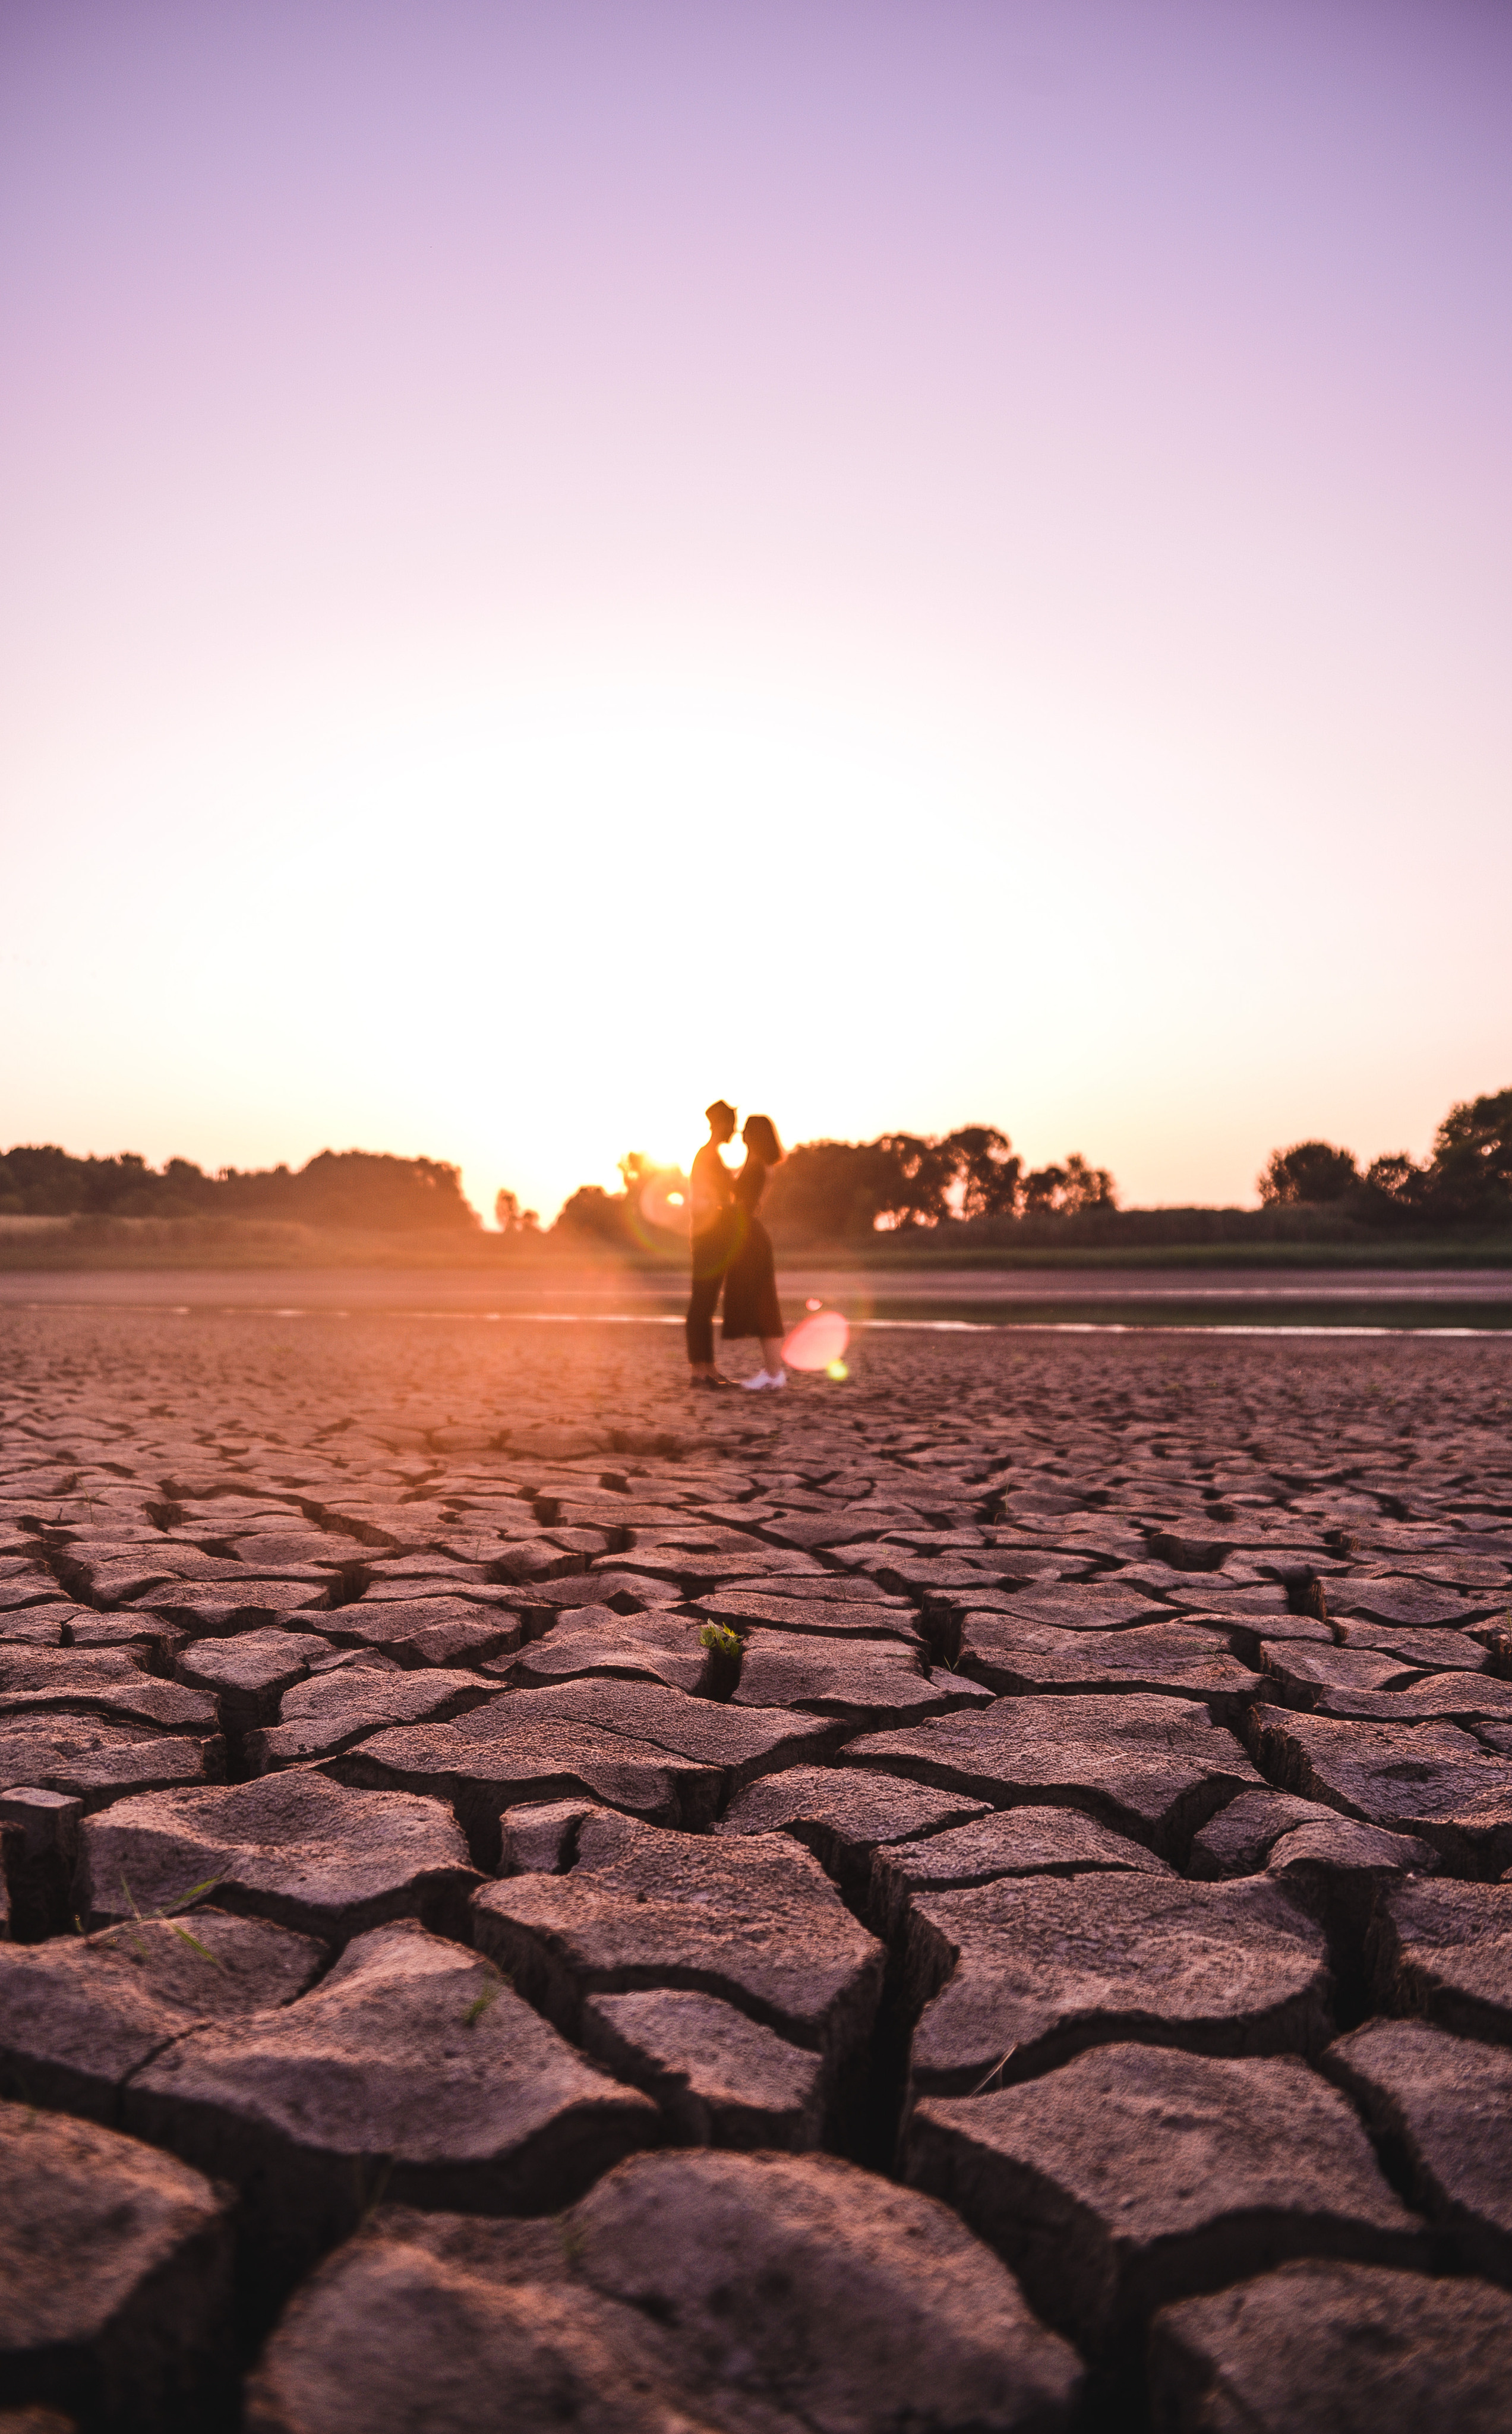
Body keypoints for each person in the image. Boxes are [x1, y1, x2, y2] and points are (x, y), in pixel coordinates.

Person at [723, 1114, 787, 1388]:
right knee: (761, 1305)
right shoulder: (754, 1163)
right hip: (749, 1235)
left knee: (765, 1305)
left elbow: (745, 1205)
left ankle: (774, 1374)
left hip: (751, 1238)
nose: (742, 1133)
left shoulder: (758, 1166)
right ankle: (772, 1372)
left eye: (748, 1130)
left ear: (757, 1135)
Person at [686, 1099, 738, 1387]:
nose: (735, 1130)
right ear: (719, 1125)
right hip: (708, 1240)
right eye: (732, 1124)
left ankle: (708, 1367)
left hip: (713, 1239)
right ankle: (699, 1370)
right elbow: (705, 1201)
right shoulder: (706, 1157)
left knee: (706, 1304)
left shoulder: (712, 1156)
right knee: (701, 1304)